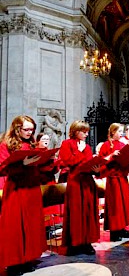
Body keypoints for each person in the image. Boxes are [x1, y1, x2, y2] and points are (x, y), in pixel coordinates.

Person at [0, 115, 47, 275]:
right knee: (15, 226)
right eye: (26, 129)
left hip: (32, 189)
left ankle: (28, 258)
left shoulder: (32, 144)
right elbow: (2, 169)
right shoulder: (6, 145)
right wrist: (23, 164)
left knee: (31, 225)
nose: (29, 132)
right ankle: (14, 263)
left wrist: (47, 160)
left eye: (31, 129)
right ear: (17, 128)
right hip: (17, 190)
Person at [58, 120, 100, 256]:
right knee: (76, 212)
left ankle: (87, 242)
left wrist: (96, 169)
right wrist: (78, 151)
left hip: (87, 181)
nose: (86, 134)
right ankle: (74, 243)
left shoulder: (87, 147)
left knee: (88, 211)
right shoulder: (67, 144)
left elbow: (88, 163)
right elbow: (67, 161)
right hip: (75, 182)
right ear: (76, 131)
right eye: (84, 132)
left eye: (87, 132)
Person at [98, 123, 129, 241]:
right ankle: (114, 231)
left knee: (124, 204)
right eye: (119, 131)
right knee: (115, 205)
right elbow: (101, 161)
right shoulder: (106, 145)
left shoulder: (123, 145)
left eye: (122, 131)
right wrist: (112, 156)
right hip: (113, 178)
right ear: (112, 132)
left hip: (122, 177)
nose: (121, 133)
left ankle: (122, 228)